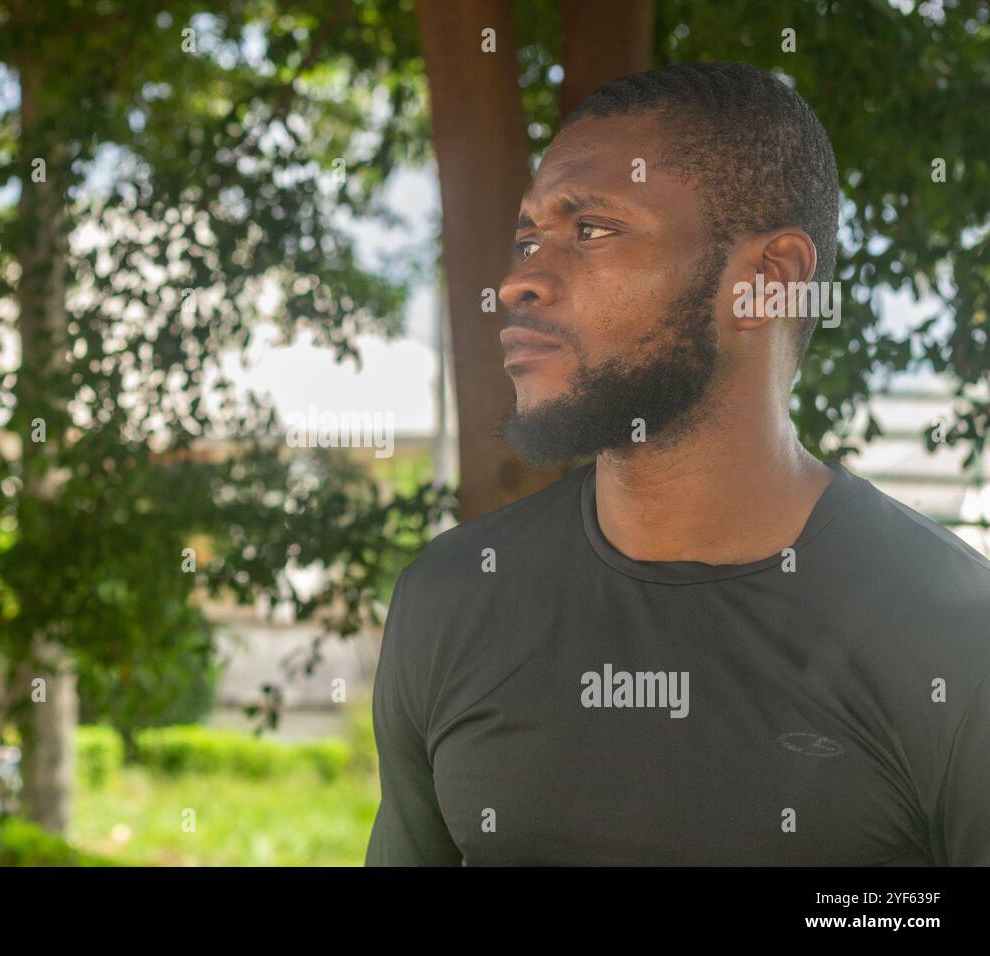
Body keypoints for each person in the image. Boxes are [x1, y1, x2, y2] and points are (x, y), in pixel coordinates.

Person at [364, 61, 990, 866]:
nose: (519, 280)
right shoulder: (451, 600)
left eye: (590, 230)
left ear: (768, 281)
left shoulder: (953, 635)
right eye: (528, 237)